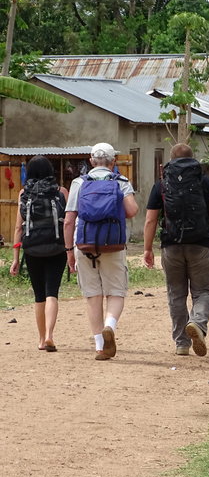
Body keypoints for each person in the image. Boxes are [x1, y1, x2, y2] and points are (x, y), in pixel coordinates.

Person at [142, 143, 209, 356]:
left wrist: (147, 249)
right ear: (194, 159)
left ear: (171, 161)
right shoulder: (204, 181)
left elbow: (150, 220)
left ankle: (181, 344)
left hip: (171, 246)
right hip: (200, 245)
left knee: (176, 295)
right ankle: (198, 323)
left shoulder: (162, 184)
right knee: (205, 291)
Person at [63, 143, 139, 360]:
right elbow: (132, 210)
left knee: (92, 295)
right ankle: (110, 326)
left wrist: (69, 250)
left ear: (91, 161)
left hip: (85, 244)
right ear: (113, 161)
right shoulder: (121, 182)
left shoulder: (79, 182)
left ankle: (99, 345)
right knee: (116, 291)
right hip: (112, 244)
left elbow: (69, 221)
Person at [9, 156, 69, 352]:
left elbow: (19, 228)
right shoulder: (61, 192)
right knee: (52, 292)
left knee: (39, 296)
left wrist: (16, 258)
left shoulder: (23, 194)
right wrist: (71, 251)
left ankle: (42, 339)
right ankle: (51, 335)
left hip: (32, 248)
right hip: (57, 247)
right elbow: (67, 223)